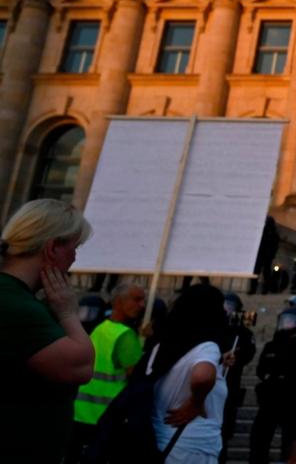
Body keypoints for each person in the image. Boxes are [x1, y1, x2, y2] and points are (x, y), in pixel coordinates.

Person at [0, 198, 95, 464]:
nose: (75, 258)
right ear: (52, 247)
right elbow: (81, 365)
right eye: (74, 248)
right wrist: (67, 312)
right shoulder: (16, 305)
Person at [148, 283, 232, 464]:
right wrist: (196, 402)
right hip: (191, 447)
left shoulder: (162, 345)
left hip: (163, 442)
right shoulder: (207, 347)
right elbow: (202, 376)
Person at [70, 283, 146, 461]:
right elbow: (137, 378)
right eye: (137, 299)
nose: (142, 305)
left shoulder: (100, 328)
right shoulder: (126, 336)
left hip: (80, 412)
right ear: (119, 302)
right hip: (106, 417)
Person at [250, 306, 296, 463]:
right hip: (270, 399)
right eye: (284, 321)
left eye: (290, 321)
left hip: (293, 400)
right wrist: (269, 377)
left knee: (290, 442)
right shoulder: (272, 345)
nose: (286, 324)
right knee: (259, 438)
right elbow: (261, 368)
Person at [219, 292, 257, 463]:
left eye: (230, 307)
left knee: (224, 431)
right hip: (214, 381)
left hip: (229, 384)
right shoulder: (213, 329)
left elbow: (248, 354)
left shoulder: (242, 333)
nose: (227, 310)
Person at [250, 215, 280, 295]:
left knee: (264, 273)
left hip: (265, 256)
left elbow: (275, 246)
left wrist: (271, 255)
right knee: (259, 273)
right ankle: (255, 289)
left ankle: (260, 289)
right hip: (262, 256)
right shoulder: (265, 232)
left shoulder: (272, 234)